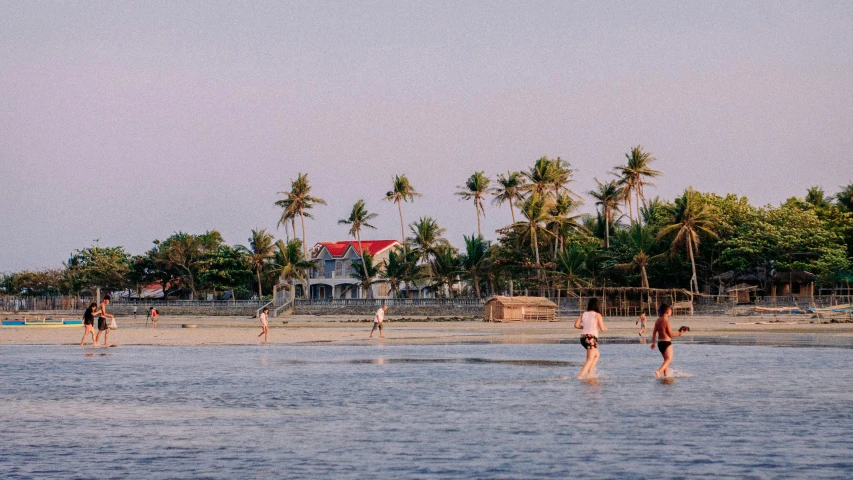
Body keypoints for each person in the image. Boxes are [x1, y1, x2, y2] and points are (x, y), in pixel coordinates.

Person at [651, 303, 688, 378]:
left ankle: (665, 376)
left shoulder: (658, 321)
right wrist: (680, 333)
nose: (671, 312)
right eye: (671, 310)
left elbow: (654, 332)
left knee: (666, 360)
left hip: (660, 343)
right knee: (669, 359)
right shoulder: (666, 322)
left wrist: (653, 342)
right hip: (666, 343)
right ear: (667, 312)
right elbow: (670, 335)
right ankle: (659, 371)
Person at [573, 298, 608, 380]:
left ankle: (590, 374)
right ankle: (580, 376)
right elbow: (602, 328)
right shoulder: (597, 315)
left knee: (596, 355)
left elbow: (576, 325)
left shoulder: (583, 314)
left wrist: (584, 327)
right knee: (590, 359)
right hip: (591, 338)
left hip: (583, 338)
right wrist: (607, 328)